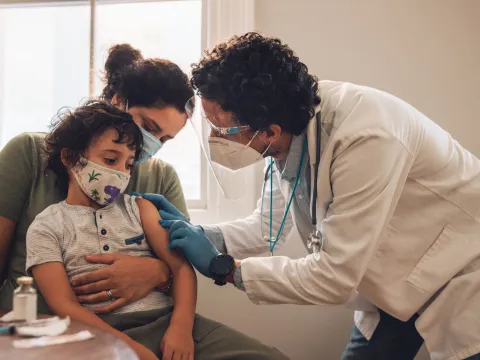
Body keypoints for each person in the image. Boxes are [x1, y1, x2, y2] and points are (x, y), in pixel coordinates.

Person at [142, 32, 480, 360]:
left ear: (269, 130)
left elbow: (333, 278)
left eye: (221, 130)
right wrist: (204, 235)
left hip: (461, 275)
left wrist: (225, 268)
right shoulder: (283, 136)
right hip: (395, 282)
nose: (215, 139)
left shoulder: (366, 136)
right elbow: (266, 227)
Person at [0, 43, 289, 360]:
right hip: (53, 327)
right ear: (117, 102)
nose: (150, 145)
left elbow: (181, 265)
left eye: (165, 139)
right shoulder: (30, 153)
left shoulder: (158, 180)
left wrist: (156, 274)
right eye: (149, 128)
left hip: (158, 323)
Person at [27, 101, 196, 360]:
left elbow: (182, 268)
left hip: (165, 321)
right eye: (110, 159)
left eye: (128, 164)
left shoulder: (140, 208)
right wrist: (126, 346)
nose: (120, 173)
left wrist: (181, 328)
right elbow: (63, 304)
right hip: (98, 333)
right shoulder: (45, 227)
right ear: (70, 158)